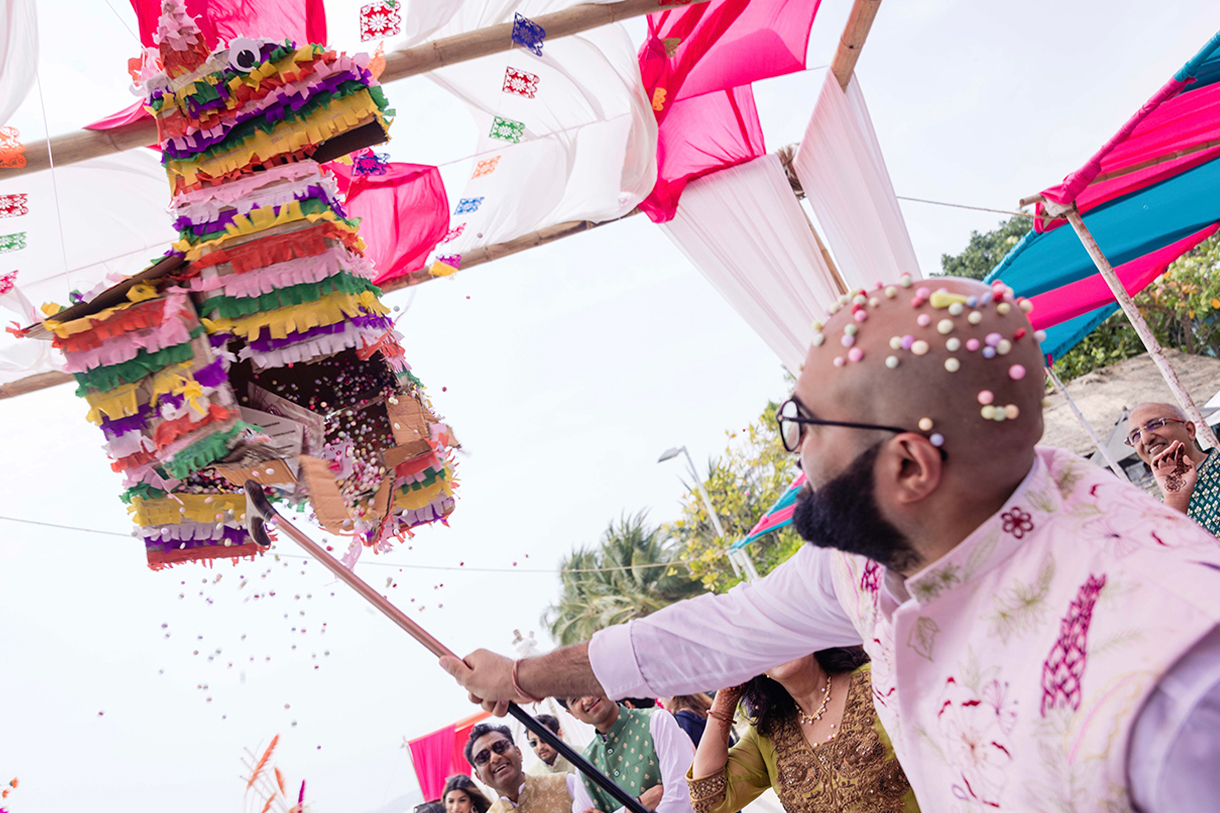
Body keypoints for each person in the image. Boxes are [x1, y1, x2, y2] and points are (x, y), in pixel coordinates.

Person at [443, 277, 1220, 812]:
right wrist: (520, 673)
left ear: (908, 465)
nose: (794, 455)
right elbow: (708, 631)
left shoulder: (1176, 674)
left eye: (801, 425)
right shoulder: (872, 558)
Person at [687, 648, 917, 813]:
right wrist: (726, 697)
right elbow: (708, 799)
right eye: (762, 641)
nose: (775, 644)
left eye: (782, 630)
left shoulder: (879, 682)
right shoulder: (769, 732)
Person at [558, 695, 692, 813]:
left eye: (589, 686)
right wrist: (637, 805)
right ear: (571, 713)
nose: (587, 699)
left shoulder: (656, 721)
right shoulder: (585, 766)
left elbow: (683, 797)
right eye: (575, 699)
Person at [1126, 401, 1220, 535]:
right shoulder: (1157, 512)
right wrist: (1175, 499)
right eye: (1136, 436)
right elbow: (1168, 552)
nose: (1146, 439)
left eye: (1155, 425)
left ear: (1190, 430)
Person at [466, 722, 595, 813]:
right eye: (482, 757)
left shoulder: (567, 784)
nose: (495, 758)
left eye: (500, 746)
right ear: (479, 777)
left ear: (519, 753)